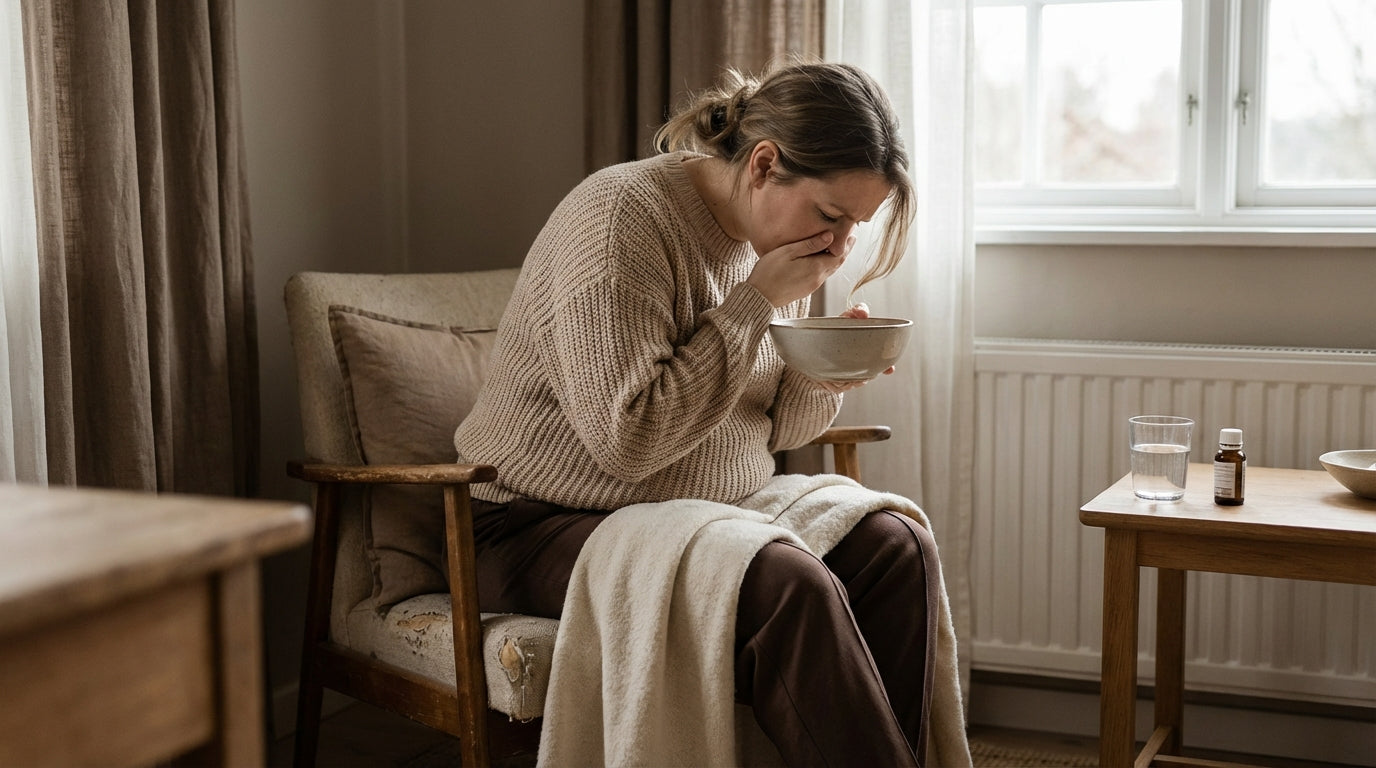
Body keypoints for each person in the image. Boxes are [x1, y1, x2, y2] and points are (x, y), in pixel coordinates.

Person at [454, 60, 940, 766]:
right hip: (533, 520)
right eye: (831, 217)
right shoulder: (621, 217)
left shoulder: (780, 244)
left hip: (704, 507)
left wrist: (827, 372)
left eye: (853, 228)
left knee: (897, 545)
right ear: (765, 164)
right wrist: (754, 304)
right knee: (784, 582)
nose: (837, 248)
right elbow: (631, 440)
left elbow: (776, 429)